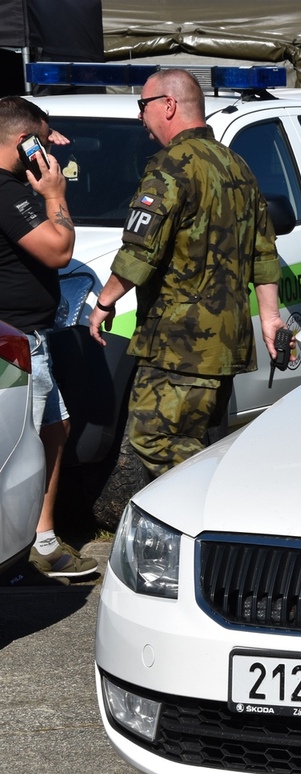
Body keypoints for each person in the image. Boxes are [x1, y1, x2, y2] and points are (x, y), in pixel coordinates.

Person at [87, 68, 285, 477]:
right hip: (225, 342)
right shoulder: (236, 165)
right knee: (194, 437)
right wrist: (270, 318)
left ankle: (214, 501)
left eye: (143, 105)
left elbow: (140, 248)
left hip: (179, 343)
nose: (140, 116)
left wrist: (104, 302)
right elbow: (264, 252)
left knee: (153, 435)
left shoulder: (171, 166)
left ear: (169, 105)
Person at [0, 96, 98, 579]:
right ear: (23, 142)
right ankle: (22, 547)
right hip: (16, 343)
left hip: (28, 338)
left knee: (53, 429)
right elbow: (58, 250)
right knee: (21, 445)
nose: (47, 152)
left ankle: (40, 539)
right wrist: (56, 193)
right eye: (40, 143)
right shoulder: (7, 193)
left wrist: (40, 134)